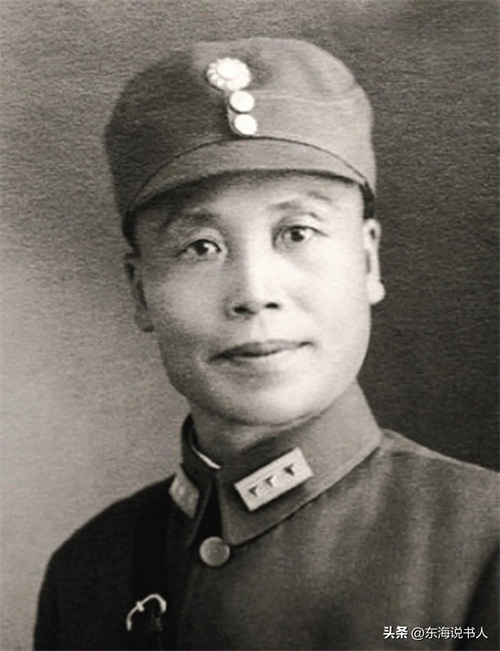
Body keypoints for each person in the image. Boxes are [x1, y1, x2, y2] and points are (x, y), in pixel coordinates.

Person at [34, 37, 498, 651]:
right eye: (201, 247)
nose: (254, 293)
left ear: (367, 261)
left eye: (297, 232)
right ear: (141, 291)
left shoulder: (482, 546)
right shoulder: (89, 572)